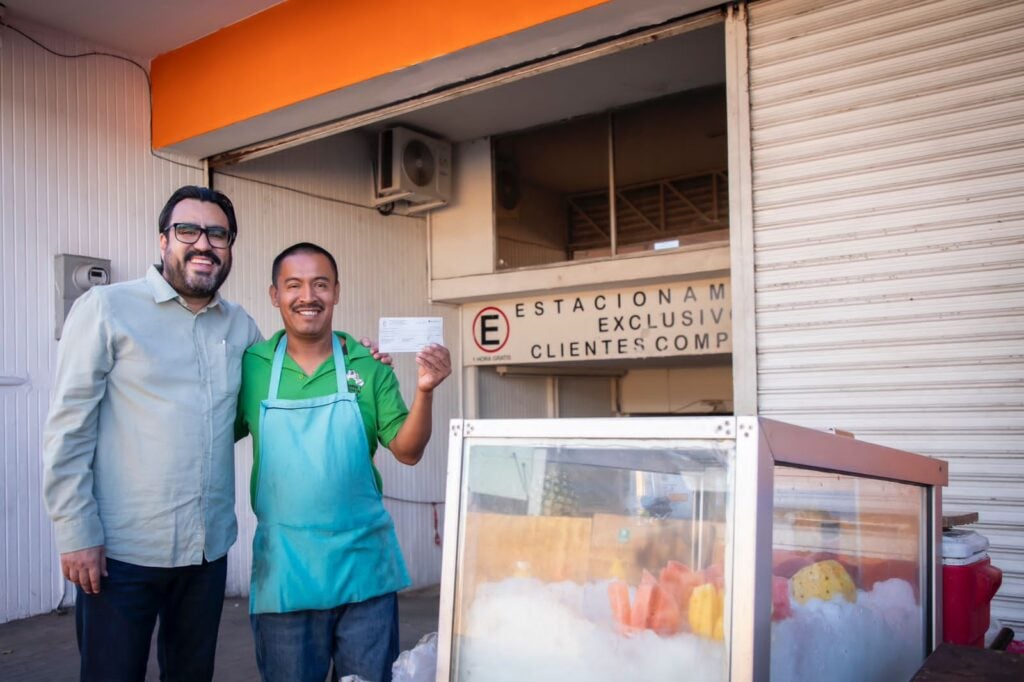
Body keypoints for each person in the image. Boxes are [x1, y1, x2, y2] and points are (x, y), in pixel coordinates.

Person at [42, 186, 388, 681]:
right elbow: (68, 429)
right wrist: (76, 532)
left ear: (229, 248)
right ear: (164, 241)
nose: (203, 244)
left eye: (218, 234)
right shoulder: (106, 309)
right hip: (121, 551)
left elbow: (292, 369)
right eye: (188, 231)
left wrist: (360, 357)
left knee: (192, 674)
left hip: (207, 550)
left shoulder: (240, 326)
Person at [235, 242, 451, 682]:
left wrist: (425, 389)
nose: (307, 296)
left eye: (320, 284)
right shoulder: (251, 367)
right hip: (286, 573)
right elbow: (209, 437)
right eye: (293, 285)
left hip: (364, 570)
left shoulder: (368, 366)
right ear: (275, 295)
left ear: (337, 292)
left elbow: (408, 451)